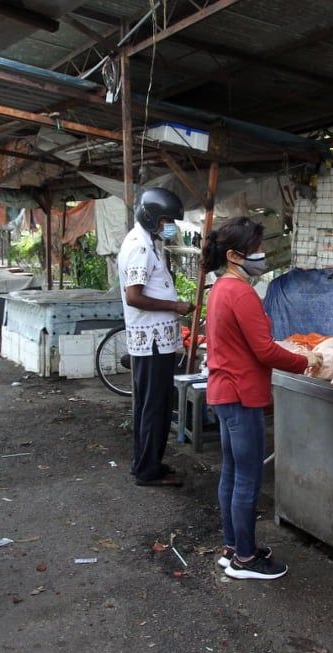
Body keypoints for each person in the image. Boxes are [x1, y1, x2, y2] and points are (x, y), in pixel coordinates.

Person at [204, 217, 321, 581]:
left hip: (225, 392)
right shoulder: (240, 292)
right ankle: (245, 558)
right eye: (256, 249)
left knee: (233, 472)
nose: (262, 254)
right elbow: (265, 351)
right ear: (234, 255)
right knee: (248, 478)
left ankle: (232, 546)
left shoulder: (220, 288)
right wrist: (306, 361)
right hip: (241, 395)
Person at [117, 188, 193, 487]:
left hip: (154, 339)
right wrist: (175, 306)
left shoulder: (146, 241)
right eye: (167, 221)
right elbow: (134, 296)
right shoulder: (140, 247)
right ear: (152, 218)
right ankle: (149, 471)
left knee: (151, 405)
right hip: (151, 342)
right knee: (155, 407)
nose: (170, 226)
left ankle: (145, 464)